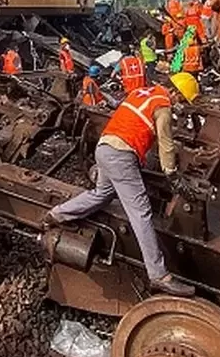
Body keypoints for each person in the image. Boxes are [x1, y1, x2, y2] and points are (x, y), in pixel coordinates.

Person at [44, 73, 201, 297]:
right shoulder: (163, 107)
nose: (180, 106)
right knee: (141, 213)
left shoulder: (141, 92)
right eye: (182, 101)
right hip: (121, 155)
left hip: (104, 148)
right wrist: (173, 175)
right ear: (175, 93)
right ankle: (159, 276)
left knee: (102, 194)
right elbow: (166, 145)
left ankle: (57, 214)